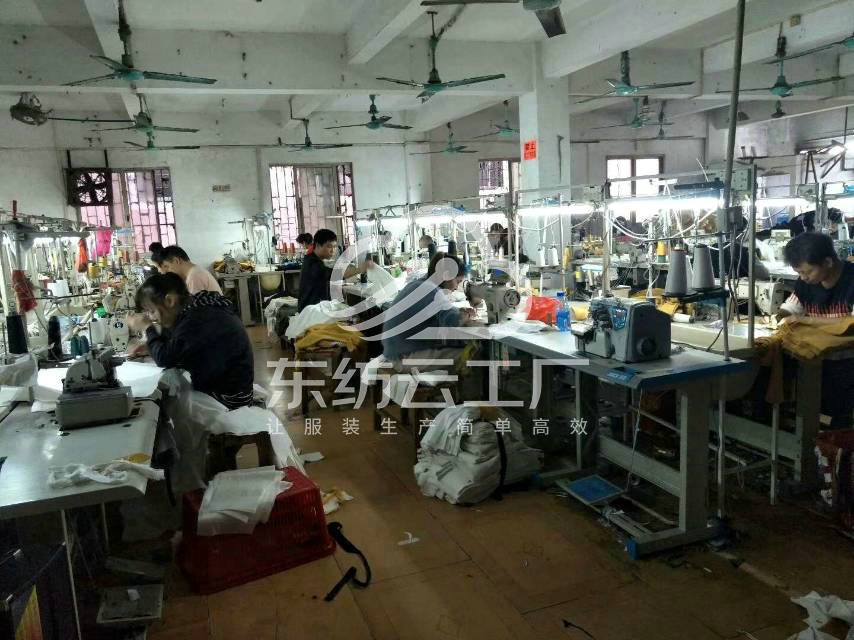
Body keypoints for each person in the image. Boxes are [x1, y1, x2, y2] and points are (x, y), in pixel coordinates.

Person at [127, 273, 254, 409]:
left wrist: (147, 327)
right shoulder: (196, 308)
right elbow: (175, 345)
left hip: (230, 399)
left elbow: (165, 358)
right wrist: (151, 348)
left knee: (163, 405)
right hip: (227, 389)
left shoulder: (200, 317)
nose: (151, 317)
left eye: (152, 311)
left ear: (169, 301)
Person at [776, 232, 854, 428]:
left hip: (847, 361)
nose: (803, 278)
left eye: (807, 272)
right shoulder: (806, 282)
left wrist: (806, 320)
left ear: (828, 262)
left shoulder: (851, 279)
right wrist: (779, 316)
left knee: (838, 414)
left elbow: (851, 323)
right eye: (799, 273)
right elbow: (791, 308)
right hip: (816, 359)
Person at [381, 252, 477, 371]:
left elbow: (442, 311)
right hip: (403, 358)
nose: (457, 287)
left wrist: (458, 311)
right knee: (470, 353)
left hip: (394, 352)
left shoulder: (419, 284)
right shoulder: (431, 290)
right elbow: (454, 322)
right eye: (457, 281)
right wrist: (467, 315)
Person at [297, 228, 373, 311]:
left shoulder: (314, 260)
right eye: (329, 246)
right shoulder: (312, 263)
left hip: (315, 309)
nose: (332, 251)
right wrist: (360, 269)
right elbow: (335, 274)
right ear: (318, 245)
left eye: (334, 247)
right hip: (310, 312)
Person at [158, 245, 222, 295]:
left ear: (176, 261)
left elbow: (194, 306)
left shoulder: (194, 276)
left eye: (167, 266)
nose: (167, 271)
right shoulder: (195, 271)